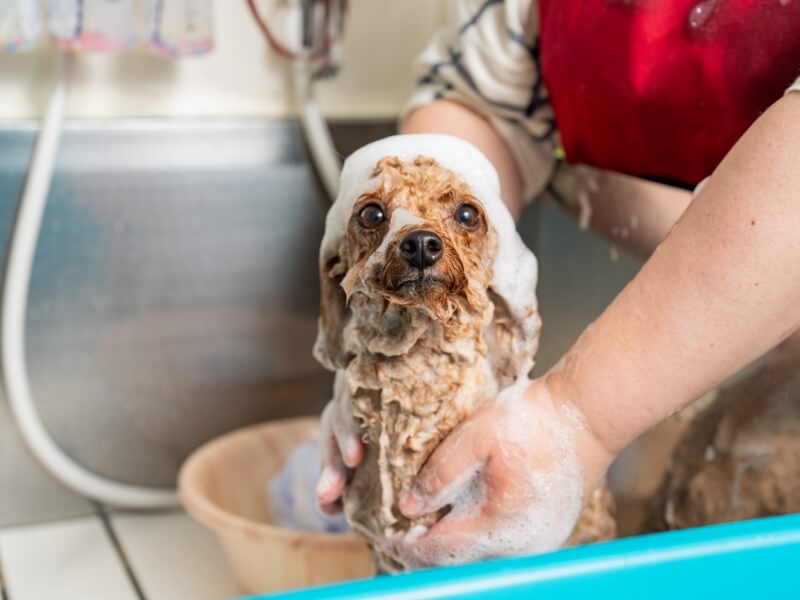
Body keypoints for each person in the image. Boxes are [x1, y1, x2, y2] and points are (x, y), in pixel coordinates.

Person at [315, 0, 800, 565]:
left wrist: (581, 419)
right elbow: (483, 108)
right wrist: (392, 355)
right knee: (693, 507)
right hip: (670, 312)